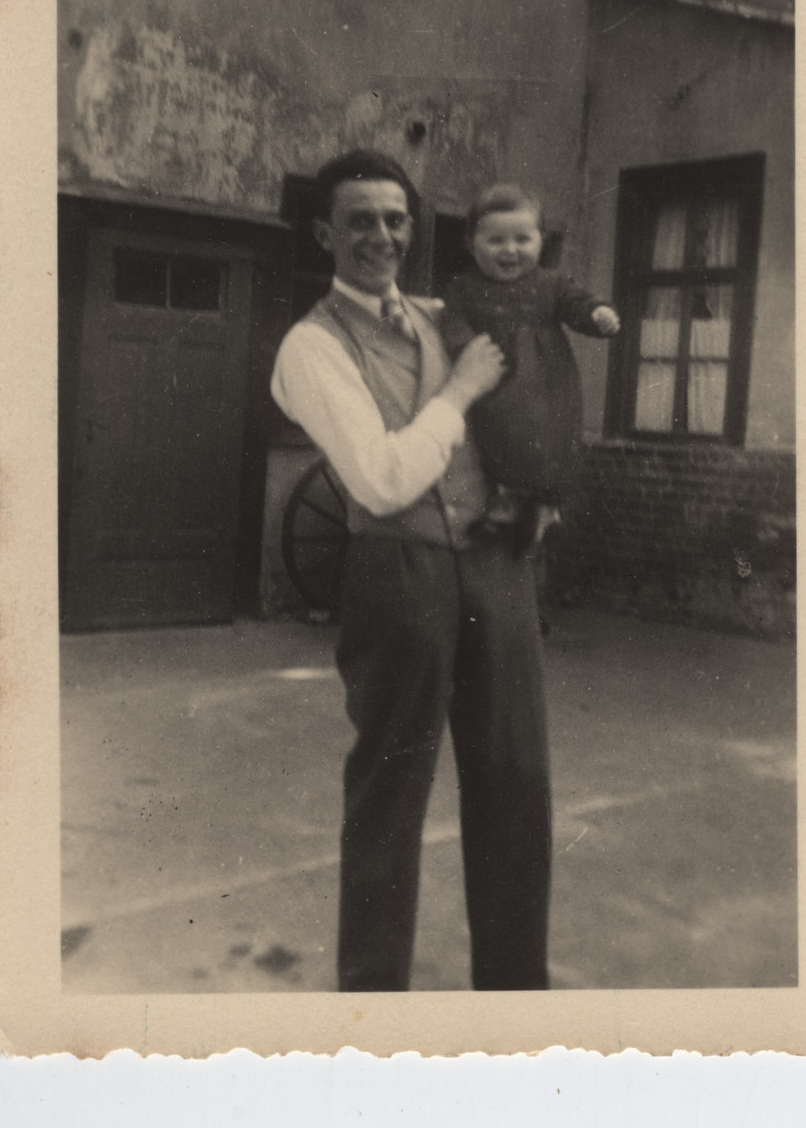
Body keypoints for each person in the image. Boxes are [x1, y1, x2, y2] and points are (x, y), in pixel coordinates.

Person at [270, 150, 552, 992]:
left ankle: (516, 1006)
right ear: (325, 233)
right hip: (400, 577)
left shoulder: (440, 315)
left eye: (396, 219)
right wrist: (458, 393)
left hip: (496, 568)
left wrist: (544, 489)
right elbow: (382, 479)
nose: (382, 236)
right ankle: (373, 1018)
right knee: (390, 801)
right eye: (359, 220)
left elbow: (528, 401)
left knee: (516, 790)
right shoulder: (311, 347)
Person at [440, 184, 620, 554]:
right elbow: (452, 322)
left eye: (522, 239)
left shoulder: (552, 284)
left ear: (541, 241)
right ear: (471, 244)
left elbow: (576, 304)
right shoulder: (464, 288)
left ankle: (547, 510)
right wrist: (467, 347)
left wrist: (596, 315)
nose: (510, 250)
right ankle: (506, 504)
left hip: (547, 387)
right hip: (495, 378)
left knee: (550, 447)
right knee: (496, 441)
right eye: (496, 240)